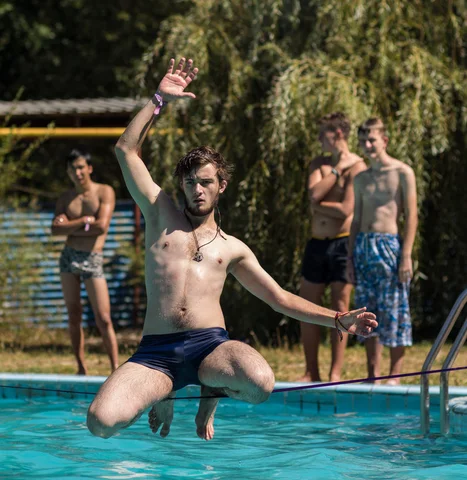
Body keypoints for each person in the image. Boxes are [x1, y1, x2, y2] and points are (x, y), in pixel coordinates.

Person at [86, 56, 378, 442]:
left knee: (260, 384)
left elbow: (280, 299)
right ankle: (165, 391)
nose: (197, 189)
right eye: (190, 182)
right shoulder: (159, 213)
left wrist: (338, 319)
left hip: (210, 348)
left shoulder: (232, 248)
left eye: (206, 181)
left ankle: (209, 393)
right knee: (101, 423)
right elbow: (126, 150)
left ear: (221, 185)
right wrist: (158, 100)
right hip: (156, 353)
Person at [347, 118, 418, 384]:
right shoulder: (361, 178)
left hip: (389, 245)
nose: (367, 145)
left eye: (372, 139)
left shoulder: (402, 172)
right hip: (364, 245)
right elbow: (355, 220)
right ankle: (372, 374)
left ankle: (395, 375)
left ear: (384, 141)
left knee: (395, 309)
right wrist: (350, 259)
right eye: (363, 140)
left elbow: (411, 216)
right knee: (368, 311)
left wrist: (406, 255)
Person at [299, 112, 366, 383]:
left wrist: (319, 204)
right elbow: (313, 195)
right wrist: (337, 171)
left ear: (337, 134)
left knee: (341, 307)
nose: (318, 138)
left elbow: (346, 209)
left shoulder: (359, 166)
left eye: (323, 132)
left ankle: (335, 372)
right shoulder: (320, 163)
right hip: (316, 243)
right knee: (306, 307)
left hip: (342, 243)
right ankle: (310, 370)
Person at [51, 149, 119, 375]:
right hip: (68, 258)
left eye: (81, 167)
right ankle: (81, 367)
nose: (77, 172)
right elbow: (55, 230)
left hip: (93, 258)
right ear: (68, 172)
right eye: (72, 169)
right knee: (73, 313)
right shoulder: (66, 198)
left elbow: (101, 226)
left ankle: (115, 368)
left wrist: (70, 227)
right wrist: (83, 221)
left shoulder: (104, 192)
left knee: (104, 317)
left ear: (89, 168)